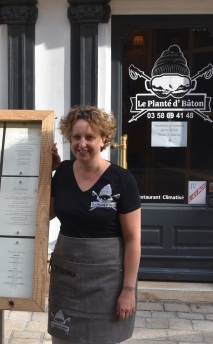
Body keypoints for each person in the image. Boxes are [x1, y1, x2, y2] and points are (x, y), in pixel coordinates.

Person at [48, 105, 142, 344]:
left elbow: (133, 240)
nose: (82, 144)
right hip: (66, 276)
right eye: (76, 136)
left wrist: (128, 291)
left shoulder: (122, 180)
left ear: (103, 139)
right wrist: (41, 172)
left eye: (90, 137)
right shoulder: (62, 174)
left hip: (107, 282)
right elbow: (43, 216)